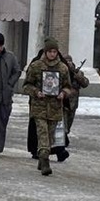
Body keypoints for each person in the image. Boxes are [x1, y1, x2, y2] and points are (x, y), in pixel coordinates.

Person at [21, 38, 74, 177]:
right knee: (42, 134)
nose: (52, 54)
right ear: (45, 52)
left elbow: (68, 87)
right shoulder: (36, 66)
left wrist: (63, 93)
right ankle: (45, 161)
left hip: (55, 108)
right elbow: (27, 85)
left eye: (54, 51)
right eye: (50, 51)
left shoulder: (62, 68)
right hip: (39, 107)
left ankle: (43, 156)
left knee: (50, 137)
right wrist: (36, 92)